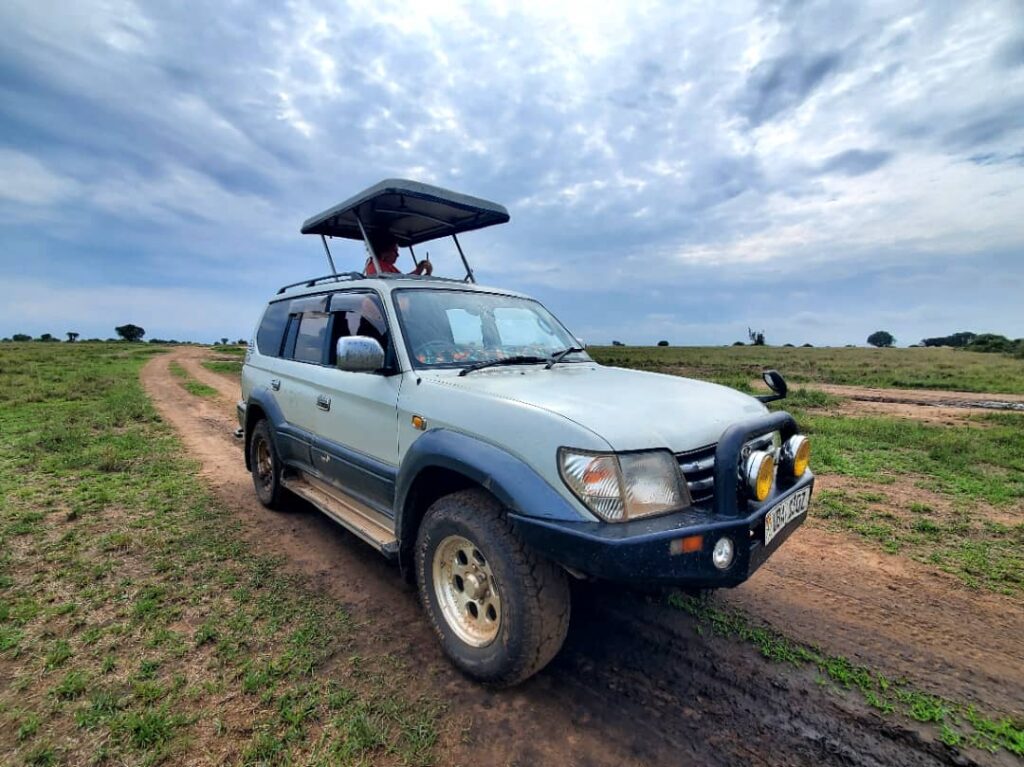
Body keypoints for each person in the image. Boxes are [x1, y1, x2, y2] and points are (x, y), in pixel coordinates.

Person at [364, 233, 433, 276]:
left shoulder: (386, 266)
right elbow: (403, 284)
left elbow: (404, 280)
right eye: (395, 251)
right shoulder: (377, 268)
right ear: (384, 252)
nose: (398, 255)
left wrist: (420, 270)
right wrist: (419, 271)